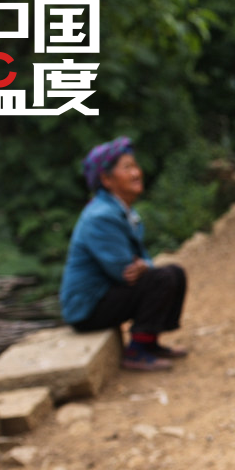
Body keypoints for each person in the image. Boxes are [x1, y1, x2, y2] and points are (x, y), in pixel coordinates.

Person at [59, 136, 188, 371]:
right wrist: (144, 267)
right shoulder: (101, 216)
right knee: (161, 278)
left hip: (104, 296)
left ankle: (149, 343)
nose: (137, 173)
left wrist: (145, 266)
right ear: (106, 179)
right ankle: (137, 351)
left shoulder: (120, 210)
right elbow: (125, 272)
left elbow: (141, 262)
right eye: (127, 168)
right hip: (88, 309)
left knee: (174, 273)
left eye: (135, 166)